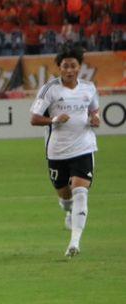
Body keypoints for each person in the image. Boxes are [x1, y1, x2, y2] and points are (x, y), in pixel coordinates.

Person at [30, 44, 99, 257]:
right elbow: (34, 118)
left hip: (84, 147)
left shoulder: (89, 88)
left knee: (81, 193)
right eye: (65, 66)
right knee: (65, 196)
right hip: (57, 151)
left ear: (79, 67)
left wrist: (95, 118)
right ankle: (68, 211)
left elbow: (94, 110)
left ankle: (74, 243)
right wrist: (54, 119)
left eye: (73, 66)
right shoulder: (50, 89)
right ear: (59, 67)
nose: (69, 70)